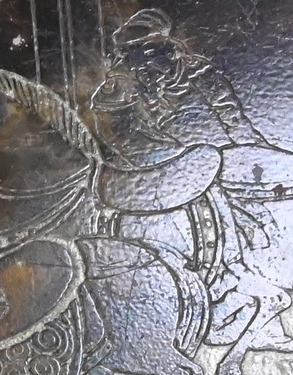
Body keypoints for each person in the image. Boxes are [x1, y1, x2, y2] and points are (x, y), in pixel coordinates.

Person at [88, 9, 268, 290]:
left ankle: (233, 263)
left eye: (146, 52)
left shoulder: (199, 74)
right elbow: (117, 133)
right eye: (132, 55)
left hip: (210, 156)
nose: (138, 63)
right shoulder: (128, 84)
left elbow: (232, 117)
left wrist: (257, 151)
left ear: (167, 48)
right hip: (159, 163)